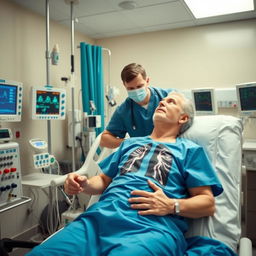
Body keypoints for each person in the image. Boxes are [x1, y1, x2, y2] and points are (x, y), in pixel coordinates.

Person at [26, 92, 224, 256]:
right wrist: (83, 183)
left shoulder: (190, 151)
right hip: (97, 221)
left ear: (183, 118)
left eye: (171, 102)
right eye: (162, 101)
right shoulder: (129, 143)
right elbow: (103, 180)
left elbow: (207, 203)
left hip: (150, 229)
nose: (162, 103)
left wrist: (172, 205)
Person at [100, 63, 173, 148]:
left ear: (147, 81)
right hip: (143, 154)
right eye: (131, 88)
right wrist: (132, 142)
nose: (136, 91)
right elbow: (104, 139)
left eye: (139, 86)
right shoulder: (123, 111)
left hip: (169, 149)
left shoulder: (168, 97)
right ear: (124, 85)